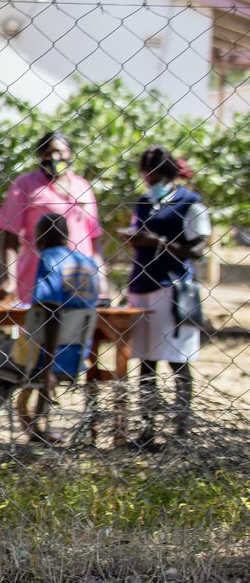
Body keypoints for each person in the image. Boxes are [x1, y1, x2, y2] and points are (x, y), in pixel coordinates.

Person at [0, 213, 100, 444]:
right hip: (75, 357)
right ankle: (27, 423)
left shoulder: (49, 258)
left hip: (42, 357)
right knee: (8, 363)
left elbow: (50, 313)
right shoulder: (88, 262)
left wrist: (47, 368)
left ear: (39, 239)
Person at [124, 146, 211, 448]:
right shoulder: (145, 201)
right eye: (147, 176)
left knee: (177, 361)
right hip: (141, 285)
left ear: (169, 173)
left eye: (156, 175)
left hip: (172, 288)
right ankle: (146, 431)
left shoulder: (190, 203)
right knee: (146, 362)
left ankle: (181, 432)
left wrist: (159, 242)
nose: (151, 181)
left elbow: (198, 250)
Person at [0, 130, 103, 304]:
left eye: (59, 152)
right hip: (40, 273)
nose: (54, 157)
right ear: (40, 156)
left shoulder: (82, 187)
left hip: (78, 276)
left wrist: (101, 276)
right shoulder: (25, 185)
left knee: (77, 324)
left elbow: (94, 240)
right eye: (48, 153)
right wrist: (9, 279)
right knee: (40, 323)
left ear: (69, 154)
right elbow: (10, 235)